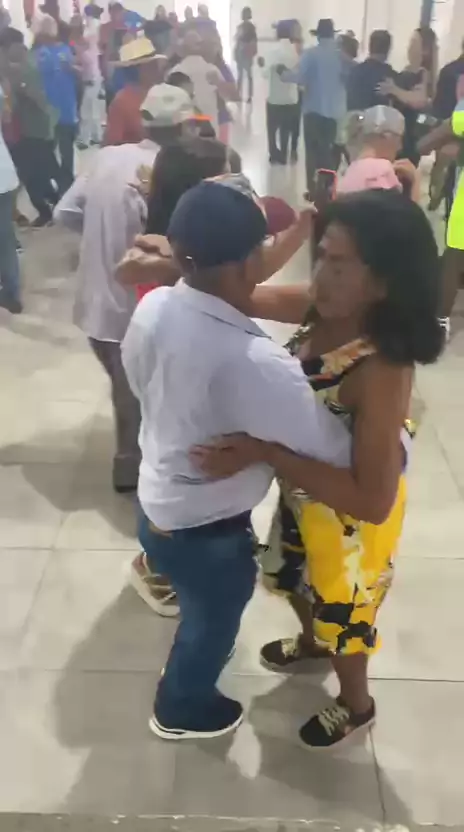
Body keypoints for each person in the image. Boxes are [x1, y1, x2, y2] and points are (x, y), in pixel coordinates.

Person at [192, 189, 443, 748]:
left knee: (344, 616)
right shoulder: (322, 308)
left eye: (340, 263)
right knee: (293, 578)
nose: (321, 275)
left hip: (350, 521)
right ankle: (311, 644)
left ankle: (356, 703)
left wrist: (265, 451)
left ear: (384, 282)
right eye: (321, 255)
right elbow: (240, 295)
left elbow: (372, 501)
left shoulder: (380, 369)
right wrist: (180, 259)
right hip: (306, 492)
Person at [121, 173, 353, 739]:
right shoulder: (252, 361)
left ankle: (192, 655)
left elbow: (139, 380)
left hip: (157, 504)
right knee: (212, 622)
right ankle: (181, 708)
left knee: (199, 608)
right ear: (253, 261)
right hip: (207, 532)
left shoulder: (154, 308)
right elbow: (331, 448)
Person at [54, 83, 196, 493]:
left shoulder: (108, 157)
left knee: (125, 381)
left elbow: (64, 211)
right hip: (138, 302)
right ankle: (133, 465)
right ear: (184, 127)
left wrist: (99, 237)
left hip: (95, 298)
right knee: (133, 385)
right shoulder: (171, 171)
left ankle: (134, 460)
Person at [279, 18, 350, 197]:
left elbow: (300, 78)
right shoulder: (342, 56)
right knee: (329, 151)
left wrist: (283, 74)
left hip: (313, 111)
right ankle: (329, 187)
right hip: (335, 112)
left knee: (313, 152)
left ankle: (313, 189)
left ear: (318, 36)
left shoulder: (310, 54)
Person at [0, 26, 59, 226]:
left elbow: (40, 100)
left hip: (34, 129)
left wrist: (19, 90)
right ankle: (51, 206)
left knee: (35, 173)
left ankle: (50, 208)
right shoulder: (15, 67)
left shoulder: (28, 67)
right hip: (23, 131)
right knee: (36, 172)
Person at [32, 14, 79, 193]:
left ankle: (67, 186)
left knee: (66, 151)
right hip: (47, 110)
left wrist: (74, 69)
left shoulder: (65, 49)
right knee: (48, 152)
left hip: (65, 108)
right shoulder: (37, 54)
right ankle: (58, 184)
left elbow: (79, 71)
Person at [337, 105, 420, 201]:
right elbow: (402, 211)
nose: (400, 147)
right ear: (386, 136)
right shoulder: (382, 171)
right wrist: (415, 180)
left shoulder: (349, 171)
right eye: (399, 138)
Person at [377, 28, 431, 166]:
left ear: (425, 50)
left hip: (409, 137)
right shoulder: (405, 71)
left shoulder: (423, 74)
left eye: (414, 43)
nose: (409, 47)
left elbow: (419, 100)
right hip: (397, 134)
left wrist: (394, 89)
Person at [103, 37, 166, 146]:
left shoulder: (159, 94)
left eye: (155, 64)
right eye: (151, 65)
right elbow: (112, 142)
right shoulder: (122, 102)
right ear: (137, 70)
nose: (156, 69)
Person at [169, 30, 233, 132]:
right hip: (211, 127)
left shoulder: (175, 71)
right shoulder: (212, 70)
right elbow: (228, 97)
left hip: (185, 130)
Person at [260, 20, 299, 165]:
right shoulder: (295, 52)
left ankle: (273, 153)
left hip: (274, 98)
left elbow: (265, 74)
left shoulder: (272, 52)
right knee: (285, 129)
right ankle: (283, 154)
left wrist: (261, 66)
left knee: (272, 129)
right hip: (291, 98)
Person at [0, 83, 21, 313]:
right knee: (5, 237)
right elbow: (6, 117)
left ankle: (11, 292)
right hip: (4, 173)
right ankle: (12, 293)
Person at [76, 3, 104, 148]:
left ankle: (84, 139)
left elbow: (82, 46)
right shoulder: (95, 28)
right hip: (94, 73)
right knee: (93, 107)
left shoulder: (91, 30)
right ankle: (97, 135)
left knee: (86, 109)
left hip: (91, 75)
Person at [234, 6, 257, 103]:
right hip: (246, 51)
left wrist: (236, 52)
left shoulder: (244, 27)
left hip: (243, 51)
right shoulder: (250, 27)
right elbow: (254, 41)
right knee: (247, 75)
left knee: (243, 75)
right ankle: (247, 95)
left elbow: (237, 40)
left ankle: (241, 94)